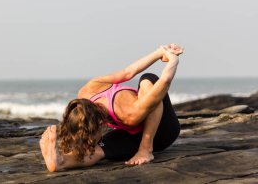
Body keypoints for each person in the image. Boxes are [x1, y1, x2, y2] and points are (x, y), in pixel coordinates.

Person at [39, 44, 183, 172]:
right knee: (97, 150)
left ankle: (146, 148)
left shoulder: (130, 114)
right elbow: (128, 72)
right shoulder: (88, 90)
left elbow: (164, 80)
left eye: (91, 137)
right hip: (131, 134)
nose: (92, 140)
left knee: (148, 79)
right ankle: (60, 161)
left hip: (163, 133)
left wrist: (172, 59)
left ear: (101, 124)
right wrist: (160, 52)